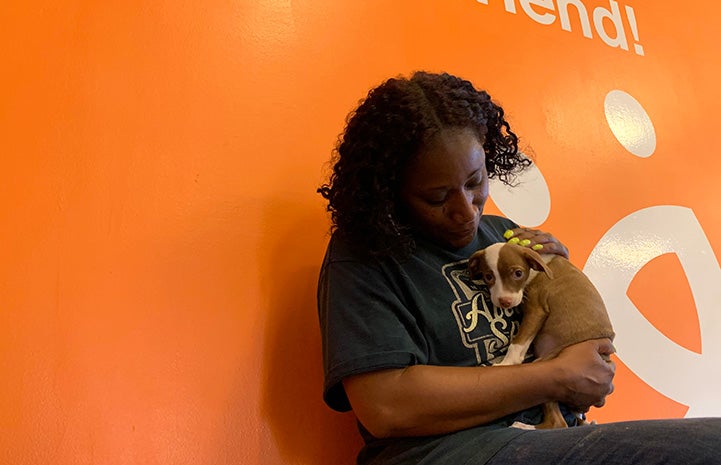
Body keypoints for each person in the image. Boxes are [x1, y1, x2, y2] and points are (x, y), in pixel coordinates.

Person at [316, 71, 721, 465]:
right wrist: (557, 376)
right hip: (449, 452)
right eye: (437, 197)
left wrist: (567, 285)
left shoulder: (507, 237)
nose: (465, 211)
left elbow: (584, 345)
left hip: (553, 432)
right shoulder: (364, 255)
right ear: (391, 194)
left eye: (475, 182)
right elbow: (386, 406)